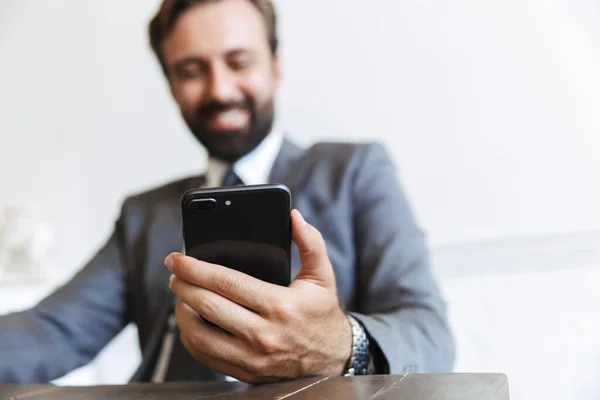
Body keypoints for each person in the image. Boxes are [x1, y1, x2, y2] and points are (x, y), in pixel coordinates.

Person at [0, 0, 454, 383]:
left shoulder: (354, 172)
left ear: (275, 67)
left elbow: (429, 334)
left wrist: (341, 344)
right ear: (172, 86)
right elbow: (53, 331)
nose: (219, 89)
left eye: (239, 62)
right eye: (192, 70)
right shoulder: (144, 214)